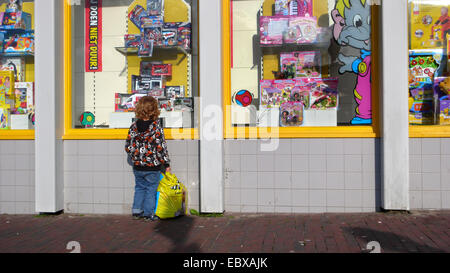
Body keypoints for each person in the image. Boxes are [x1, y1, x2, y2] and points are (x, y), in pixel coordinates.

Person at [125, 96, 171, 221]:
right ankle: (148, 214)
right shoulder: (156, 127)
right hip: (152, 166)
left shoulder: (133, 126)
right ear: (154, 110)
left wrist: (135, 156)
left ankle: (136, 211)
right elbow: (161, 147)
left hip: (137, 166)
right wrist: (166, 164)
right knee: (151, 189)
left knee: (139, 188)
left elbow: (128, 146)